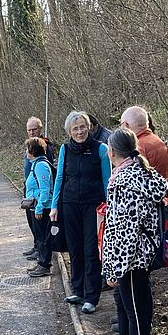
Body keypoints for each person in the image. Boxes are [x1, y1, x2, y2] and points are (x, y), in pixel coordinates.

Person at [99, 128, 168, 335]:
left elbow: (125, 230)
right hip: (139, 256)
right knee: (135, 309)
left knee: (136, 313)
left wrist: (115, 270)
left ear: (112, 152)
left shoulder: (125, 180)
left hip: (132, 259)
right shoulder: (138, 174)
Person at [50, 111, 111, 314]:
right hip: (69, 204)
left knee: (91, 249)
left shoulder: (101, 149)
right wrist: (54, 205)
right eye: (75, 128)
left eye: (82, 127)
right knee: (74, 248)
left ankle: (92, 296)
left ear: (89, 127)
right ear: (69, 131)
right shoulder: (64, 150)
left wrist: (109, 206)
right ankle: (78, 290)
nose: (79, 131)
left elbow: (107, 180)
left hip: (93, 206)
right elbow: (59, 178)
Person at [22, 117, 56, 260]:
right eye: (29, 130)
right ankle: (37, 246)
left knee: (40, 228)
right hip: (31, 193)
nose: (31, 132)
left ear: (40, 129)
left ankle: (42, 255)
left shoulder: (43, 147)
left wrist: (40, 205)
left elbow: (45, 184)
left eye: (34, 129)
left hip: (39, 197)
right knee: (33, 224)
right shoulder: (31, 145)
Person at [120, 106, 168, 196]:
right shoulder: (157, 140)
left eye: (121, 124)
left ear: (126, 125)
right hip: (163, 194)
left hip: (150, 201)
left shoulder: (137, 148)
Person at [23, 137, 54, 277]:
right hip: (36, 207)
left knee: (43, 238)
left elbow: (45, 189)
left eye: (27, 149)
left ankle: (44, 265)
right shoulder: (36, 164)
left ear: (33, 150)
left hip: (42, 208)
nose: (25, 152)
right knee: (40, 237)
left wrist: (40, 208)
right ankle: (41, 263)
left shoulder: (41, 165)